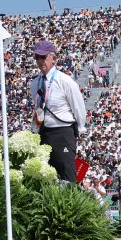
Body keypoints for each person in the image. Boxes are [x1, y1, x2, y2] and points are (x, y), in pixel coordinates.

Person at [30, 40, 87, 183]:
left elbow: (78, 107)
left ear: (53, 58)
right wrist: (34, 130)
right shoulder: (34, 83)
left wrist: (80, 129)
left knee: (66, 174)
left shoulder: (65, 81)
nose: (39, 61)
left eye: (43, 57)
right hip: (43, 132)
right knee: (46, 176)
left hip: (63, 132)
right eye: (37, 57)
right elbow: (37, 107)